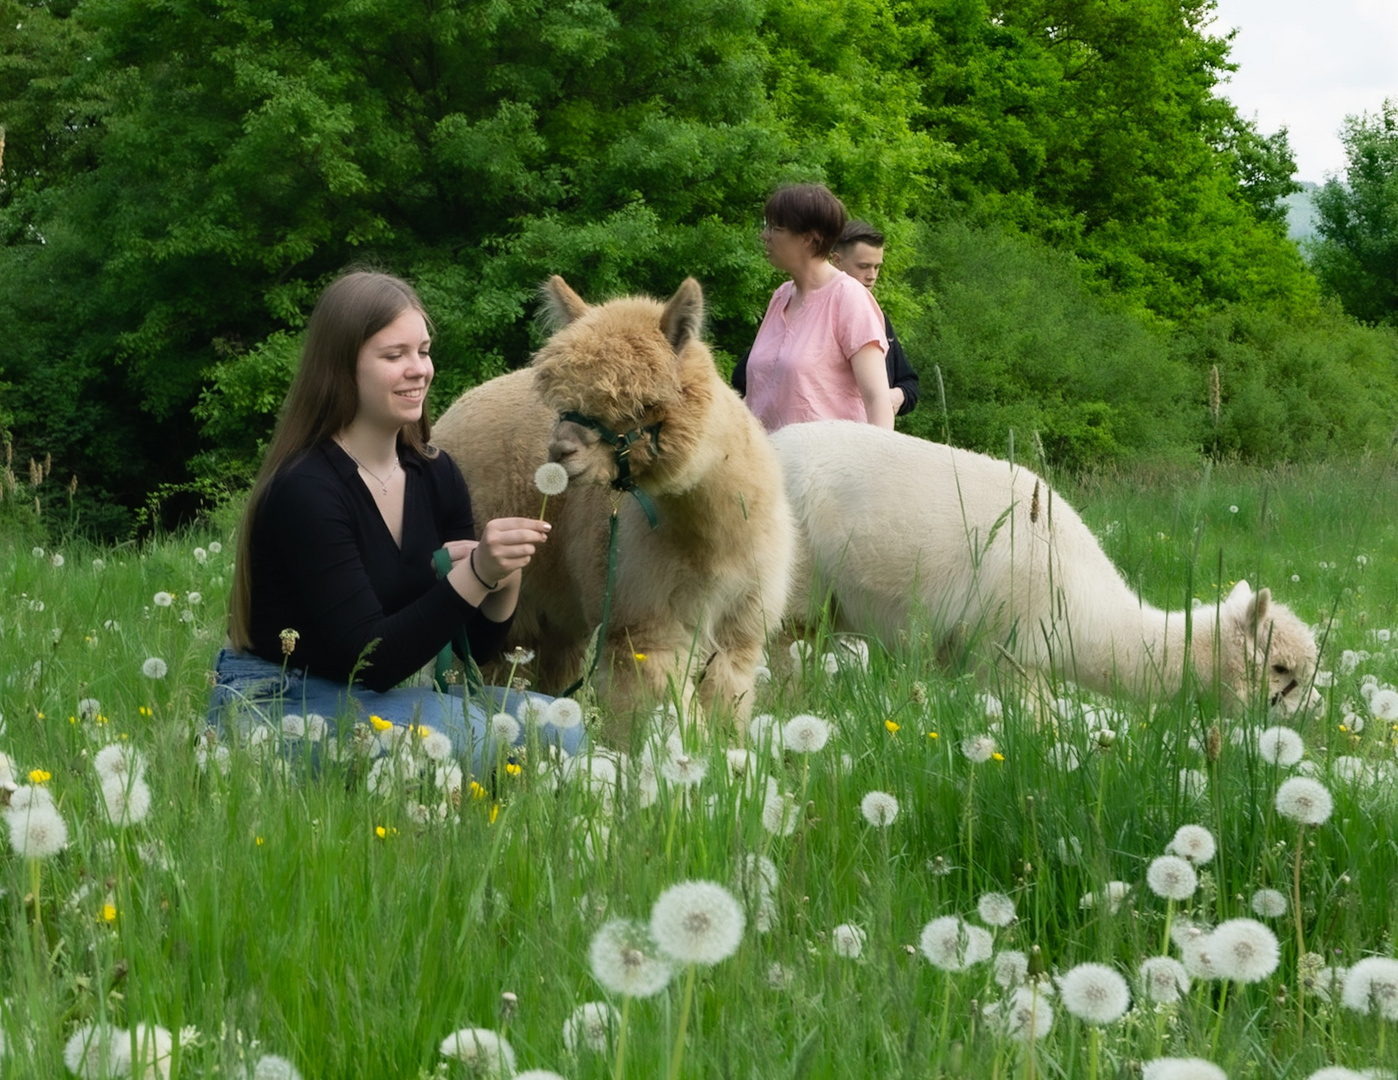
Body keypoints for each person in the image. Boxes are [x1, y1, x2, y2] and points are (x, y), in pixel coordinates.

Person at [208, 270, 583, 770]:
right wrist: (474, 575)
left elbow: (470, 649)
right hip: (279, 700)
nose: (419, 370)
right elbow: (372, 659)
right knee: (458, 736)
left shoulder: (435, 472)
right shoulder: (306, 488)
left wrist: (503, 580)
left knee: (561, 723)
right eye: (394, 356)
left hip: (371, 698)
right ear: (341, 368)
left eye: (423, 351)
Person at [735, 183, 893, 432]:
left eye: (776, 228)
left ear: (809, 239)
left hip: (827, 465)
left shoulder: (849, 297)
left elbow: (877, 400)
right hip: (769, 465)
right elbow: (760, 397)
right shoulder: (781, 296)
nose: (764, 236)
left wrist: (877, 466)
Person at [829, 220, 920, 417]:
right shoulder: (809, 312)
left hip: (868, 439)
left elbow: (909, 383)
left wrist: (897, 396)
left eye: (877, 267)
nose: (872, 276)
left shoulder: (878, 319)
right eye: (863, 266)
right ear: (836, 261)